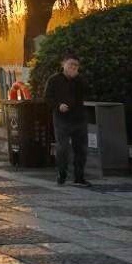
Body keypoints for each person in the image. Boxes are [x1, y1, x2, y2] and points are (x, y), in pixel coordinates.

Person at [43, 55, 89, 186]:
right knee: (62, 147)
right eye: (70, 64)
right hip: (62, 118)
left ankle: (79, 177)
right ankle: (62, 173)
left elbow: (87, 91)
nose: (73, 67)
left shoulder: (80, 80)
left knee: (81, 148)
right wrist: (58, 106)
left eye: (76, 65)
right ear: (63, 64)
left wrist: (78, 79)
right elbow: (47, 97)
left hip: (79, 118)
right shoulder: (54, 80)